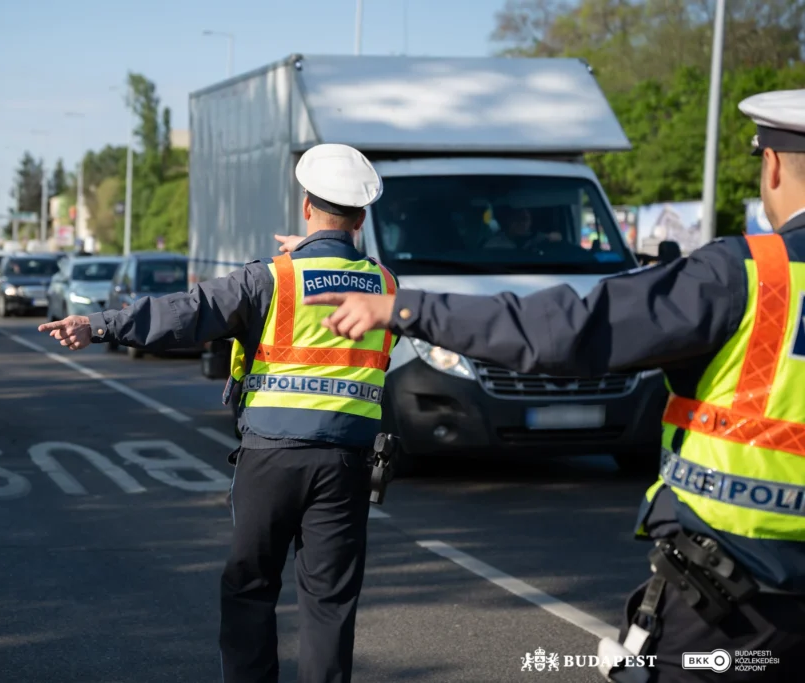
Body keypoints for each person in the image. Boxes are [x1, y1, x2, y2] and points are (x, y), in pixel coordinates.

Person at [296, 89, 805, 682]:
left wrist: (404, 308)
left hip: (741, 602)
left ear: (771, 164)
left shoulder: (746, 273)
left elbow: (566, 329)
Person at [38, 143, 398, 683]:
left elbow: (187, 314)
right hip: (347, 464)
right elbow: (340, 278)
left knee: (251, 589)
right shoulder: (385, 284)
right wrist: (315, 250)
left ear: (306, 206)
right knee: (330, 602)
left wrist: (101, 325)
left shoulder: (270, 279)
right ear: (361, 217)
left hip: (271, 460)